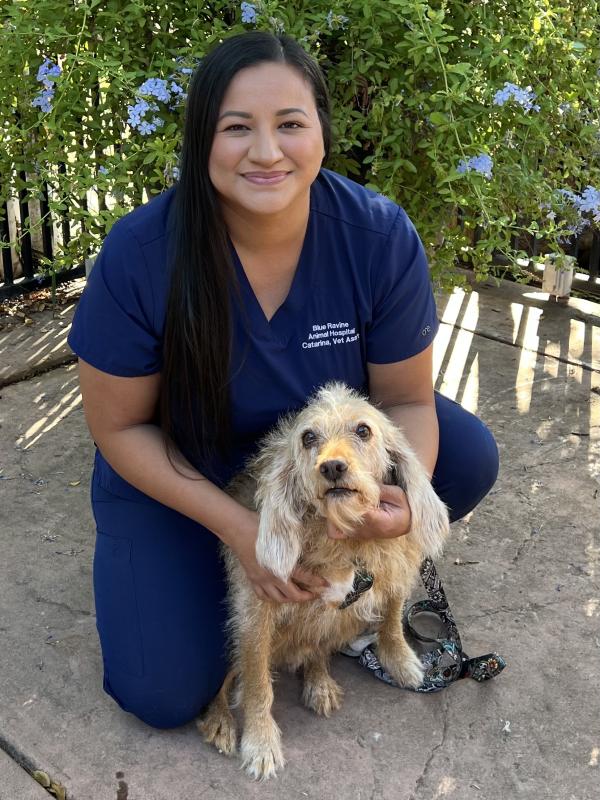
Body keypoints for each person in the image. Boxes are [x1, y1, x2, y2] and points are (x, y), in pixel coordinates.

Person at [67, 31, 498, 729]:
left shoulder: (378, 236)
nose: (266, 152)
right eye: (236, 127)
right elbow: (118, 427)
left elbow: (406, 399)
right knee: (161, 693)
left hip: (314, 464)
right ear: (201, 140)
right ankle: (214, 577)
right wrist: (243, 530)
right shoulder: (142, 254)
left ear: (322, 131)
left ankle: (342, 594)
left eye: (290, 124)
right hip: (187, 474)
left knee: (465, 456)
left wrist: (398, 503)